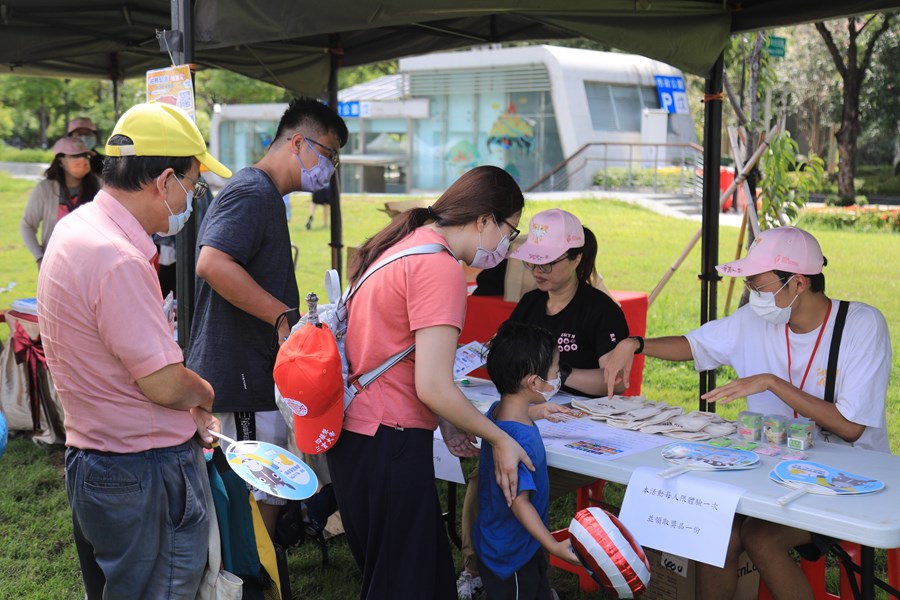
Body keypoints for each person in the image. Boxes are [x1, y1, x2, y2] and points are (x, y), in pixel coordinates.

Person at [599, 226, 892, 600]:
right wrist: (634, 344)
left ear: (798, 284)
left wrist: (771, 382)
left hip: (848, 477)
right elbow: (693, 344)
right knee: (714, 521)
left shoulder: (861, 326)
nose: (752, 295)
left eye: (758, 285)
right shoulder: (757, 321)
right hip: (771, 469)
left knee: (759, 535)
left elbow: (850, 428)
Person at [36, 102, 230, 598]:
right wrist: (205, 393)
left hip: (95, 459)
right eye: (193, 184)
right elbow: (164, 383)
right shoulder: (118, 258)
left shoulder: (76, 229)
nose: (192, 198)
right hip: (140, 471)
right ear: (164, 180)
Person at [326, 165, 534, 599]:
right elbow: (434, 386)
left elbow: (393, 355)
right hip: (390, 441)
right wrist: (500, 439)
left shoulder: (402, 246)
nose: (506, 246)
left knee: (395, 576)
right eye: (510, 232)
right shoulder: (439, 268)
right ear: (484, 220)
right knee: (409, 583)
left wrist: (447, 422)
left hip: (358, 436)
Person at [186, 97, 347, 540]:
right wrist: (280, 315)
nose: (329, 168)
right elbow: (212, 263)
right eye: (329, 154)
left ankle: (260, 571)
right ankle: (252, 576)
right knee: (257, 489)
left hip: (254, 372)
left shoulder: (265, 196)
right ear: (298, 142)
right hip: (240, 376)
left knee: (266, 489)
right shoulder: (252, 192)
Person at [457, 208, 631, 598]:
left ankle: (517, 571)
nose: (538, 270)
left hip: (584, 422)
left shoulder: (601, 310)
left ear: (576, 259)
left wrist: (560, 377)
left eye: (548, 262)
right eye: (533, 260)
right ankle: (479, 568)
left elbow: (612, 382)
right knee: (490, 481)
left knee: (504, 482)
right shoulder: (532, 304)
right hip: (532, 417)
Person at [473, 321, 581, 600]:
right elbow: (519, 502)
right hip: (512, 555)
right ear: (534, 382)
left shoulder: (499, 413)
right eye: (556, 370)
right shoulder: (520, 442)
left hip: (504, 540)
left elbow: (513, 417)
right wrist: (553, 545)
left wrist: (538, 411)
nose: (558, 375)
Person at [20, 136, 101, 269]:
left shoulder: (99, 186)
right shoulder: (45, 189)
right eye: (75, 156)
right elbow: (27, 225)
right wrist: (39, 257)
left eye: (85, 155)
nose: (82, 160)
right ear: (60, 161)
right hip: (56, 265)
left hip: (92, 264)